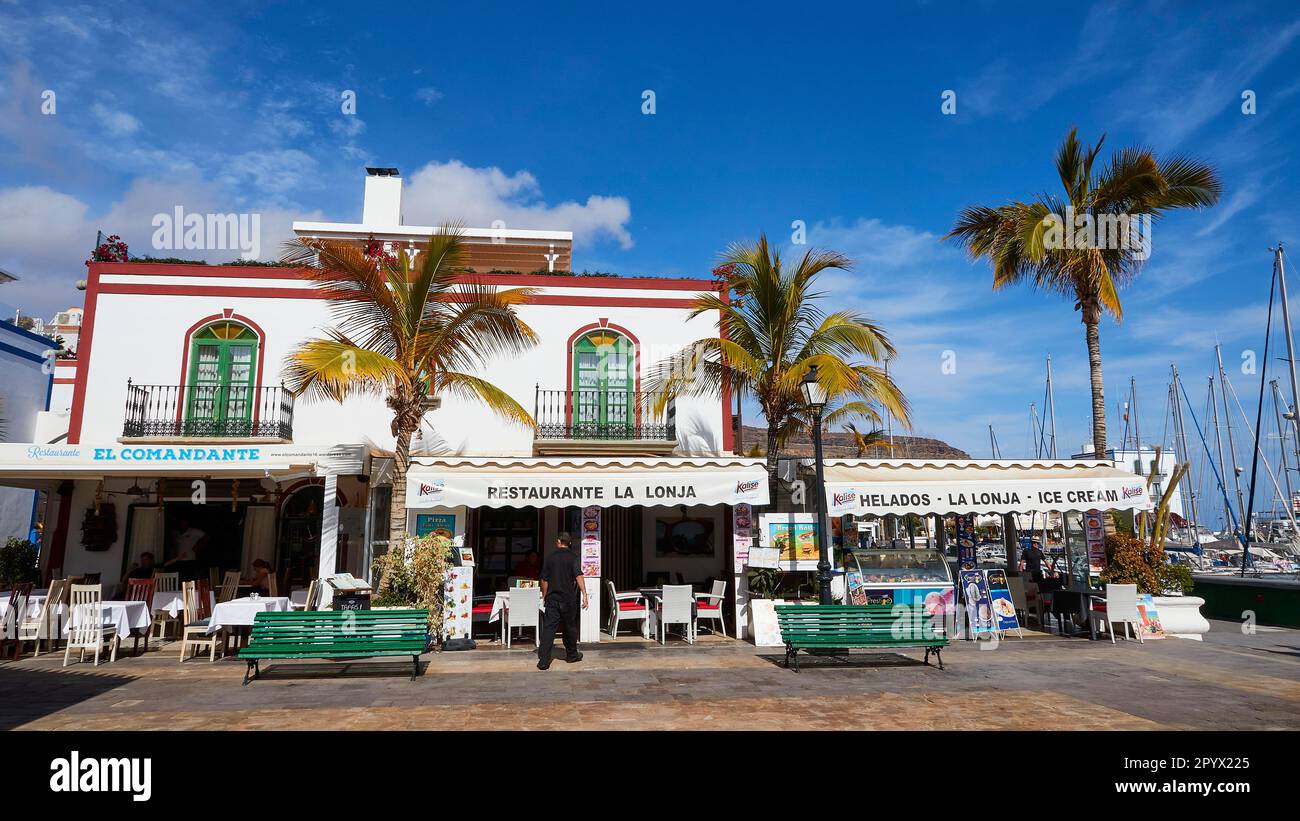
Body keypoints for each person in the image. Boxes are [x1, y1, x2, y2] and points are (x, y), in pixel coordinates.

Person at [536, 532, 587, 670]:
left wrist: (545, 595)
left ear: (558, 541)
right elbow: (579, 576)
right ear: (569, 543)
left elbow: (544, 579)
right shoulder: (573, 557)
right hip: (568, 599)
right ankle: (571, 655)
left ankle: (544, 661)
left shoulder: (550, 558)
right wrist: (585, 594)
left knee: (549, 629)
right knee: (570, 628)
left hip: (553, 599)